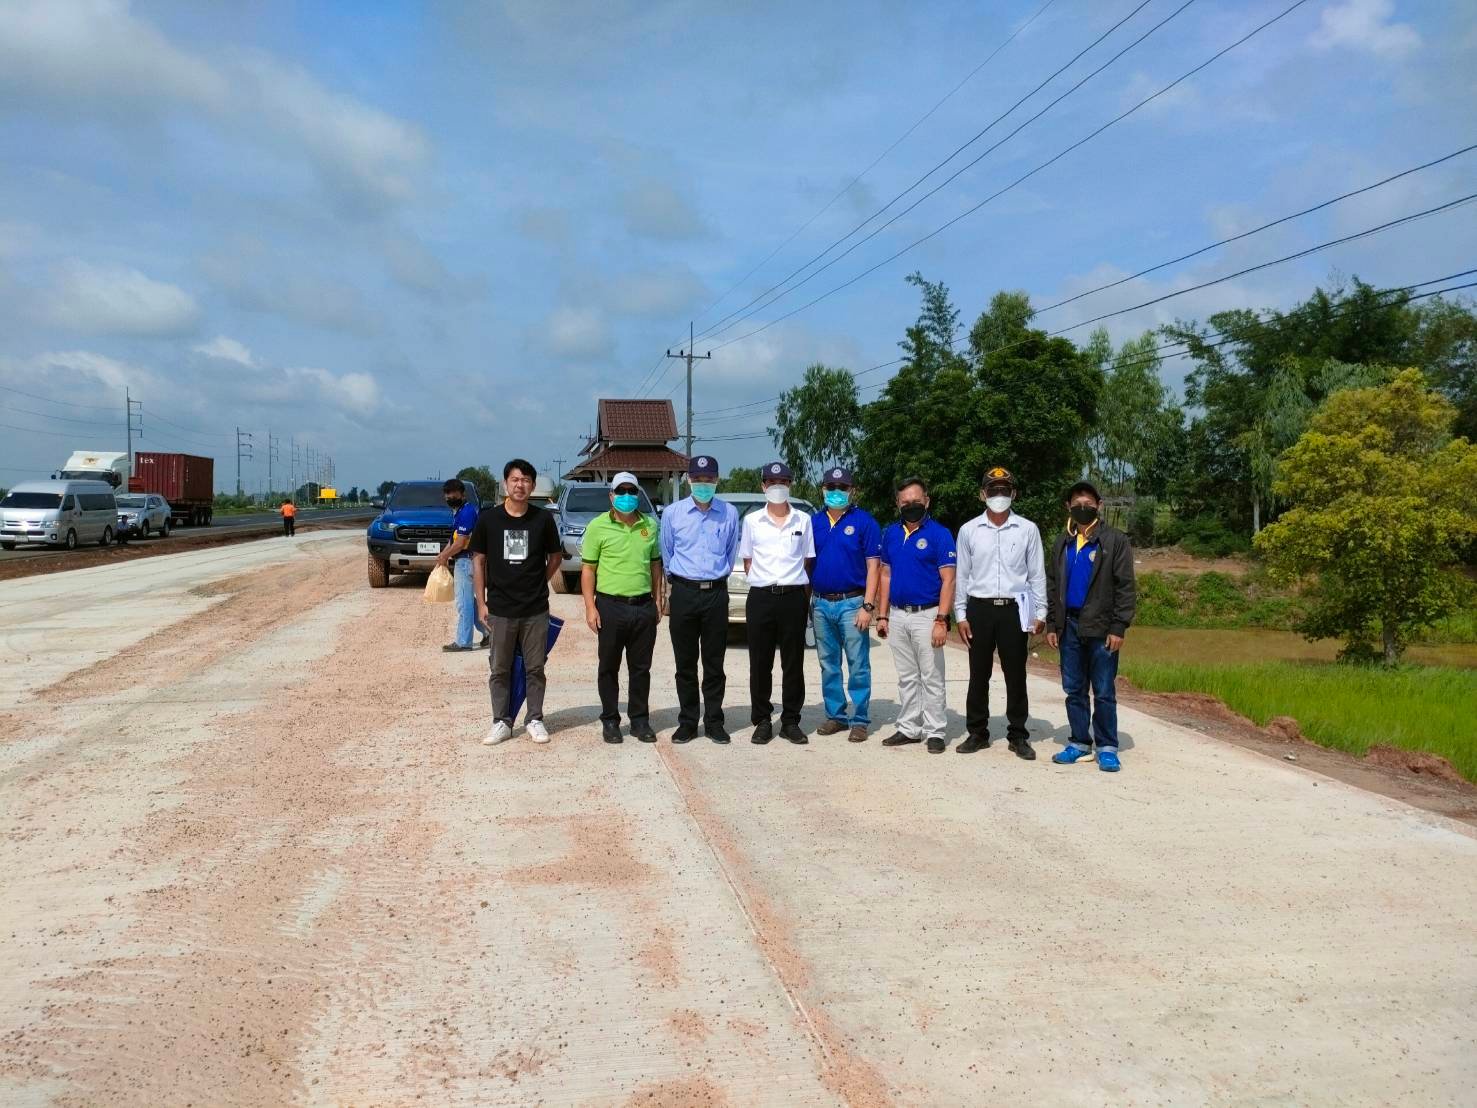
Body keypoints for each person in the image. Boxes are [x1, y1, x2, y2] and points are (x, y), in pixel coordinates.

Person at [953, 465, 1046, 759]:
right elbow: (962, 575)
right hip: (979, 608)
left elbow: (1037, 574)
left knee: (1015, 674)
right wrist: (960, 614)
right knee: (978, 674)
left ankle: (1018, 735)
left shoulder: (1028, 529)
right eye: (993, 490)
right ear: (983, 494)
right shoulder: (969, 530)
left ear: (1013, 494)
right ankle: (977, 732)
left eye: (1004, 490)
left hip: (1014, 609)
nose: (999, 495)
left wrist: (1041, 612)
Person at [1046, 481, 1137, 773]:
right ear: (1068, 507)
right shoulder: (1063, 542)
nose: (1082, 508)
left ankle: (1107, 747)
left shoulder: (1114, 541)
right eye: (1077, 504)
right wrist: (1052, 623)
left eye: (1088, 504)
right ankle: (1079, 742)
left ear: (1099, 506)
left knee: (1104, 690)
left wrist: (1119, 626)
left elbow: (1125, 586)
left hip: (1102, 627)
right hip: (1069, 626)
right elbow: (1052, 585)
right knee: (1074, 689)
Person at [471, 459, 563, 746]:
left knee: (535, 668)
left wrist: (539, 581)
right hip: (500, 609)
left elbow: (555, 557)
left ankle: (534, 719)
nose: (519, 485)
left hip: (535, 609)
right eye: (514, 479)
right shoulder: (488, 520)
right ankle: (501, 721)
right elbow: (478, 561)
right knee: (499, 668)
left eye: (525, 480)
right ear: (505, 484)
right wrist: (481, 603)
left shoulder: (543, 520)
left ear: (532, 486)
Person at [660, 454, 741, 745]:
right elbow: (667, 553)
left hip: (716, 594)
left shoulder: (729, 513)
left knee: (714, 663)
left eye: (709, 479)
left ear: (717, 480)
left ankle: (715, 722)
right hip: (684, 592)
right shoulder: (673, 514)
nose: (703, 484)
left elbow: (731, 554)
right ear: (689, 480)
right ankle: (688, 722)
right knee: (685, 663)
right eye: (697, 479)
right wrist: (676, 586)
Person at [582, 471, 664, 744]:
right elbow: (588, 569)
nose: (626, 496)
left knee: (641, 668)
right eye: (621, 491)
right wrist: (590, 607)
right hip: (610, 606)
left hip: (642, 606)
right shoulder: (597, 526)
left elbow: (655, 565)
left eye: (632, 491)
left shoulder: (650, 525)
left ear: (638, 495)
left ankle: (639, 720)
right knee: (609, 666)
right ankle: (610, 720)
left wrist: (658, 598)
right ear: (611, 496)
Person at [876, 477, 957, 754]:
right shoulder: (891, 533)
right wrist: (882, 615)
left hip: (928, 614)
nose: (911, 505)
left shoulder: (939, 534)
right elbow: (885, 575)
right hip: (898, 615)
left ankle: (935, 731)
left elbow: (949, 580)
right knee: (907, 676)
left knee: (931, 676)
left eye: (916, 501)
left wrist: (941, 620)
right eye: (905, 502)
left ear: (927, 501)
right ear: (898, 504)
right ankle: (909, 728)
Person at [739, 461, 816, 745]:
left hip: (793, 597)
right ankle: (762, 720)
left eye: (782, 482)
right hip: (761, 596)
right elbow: (748, 561)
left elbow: (807, 560)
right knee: (760, 663)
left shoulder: (803, 520)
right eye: (772, 482)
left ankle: (790, 721)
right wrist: (767, 581)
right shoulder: (752, 521)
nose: (777, 487)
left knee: (793, 662)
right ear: (763, 486)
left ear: (790, 485)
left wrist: (790, 584)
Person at [809, 465, 881, 743]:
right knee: (828, 664)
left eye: (843, 487)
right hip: (821, 603)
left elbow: (874, 567)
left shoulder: (865, 522)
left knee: (858, 664)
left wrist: (868, 606)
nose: (837, 492)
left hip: (852, 603)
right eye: (831, 487)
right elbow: (806, 565)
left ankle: (860, 720)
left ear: (852, 490)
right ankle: (836, 716)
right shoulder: (813, 522)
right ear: (823, 489)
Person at [435, 478, 490, 652]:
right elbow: (454, 539)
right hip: (465, 560)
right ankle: (489, 633)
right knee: (471, 603)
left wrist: (444, 556)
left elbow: (460, 543)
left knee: (463, 603)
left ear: (462, 494)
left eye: (453, 494)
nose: (450, 498)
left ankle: (463, 642)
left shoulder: (466, 513)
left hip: (466, 560)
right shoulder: (460, 512)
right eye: (447, 495)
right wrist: (443, 555)